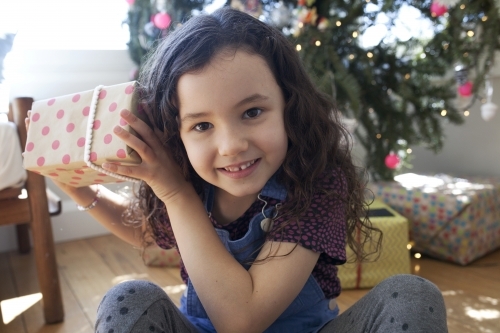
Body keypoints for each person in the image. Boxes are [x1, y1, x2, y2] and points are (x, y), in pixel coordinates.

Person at [27, 7, 448, 333]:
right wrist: (82, 191)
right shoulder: (189, 183)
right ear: (178, 135)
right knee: (129, 298)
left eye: (252, 111)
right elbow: (148, 232)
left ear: (289, 107)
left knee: (411, 295)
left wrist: (176, 194)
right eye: (202, 125)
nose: (231, 145)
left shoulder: (317, 184)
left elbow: (242, 321)